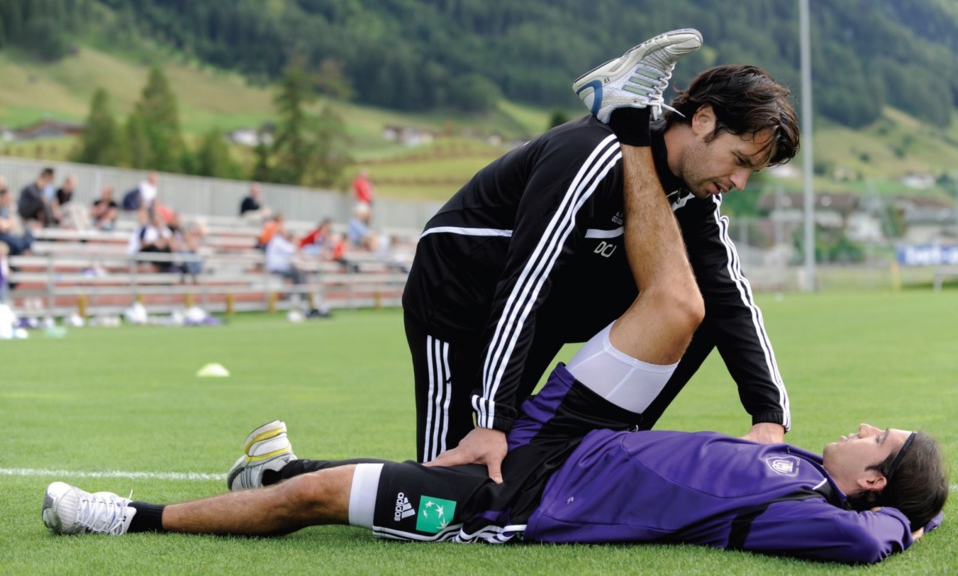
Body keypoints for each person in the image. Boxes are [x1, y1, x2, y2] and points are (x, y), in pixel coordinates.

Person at [404, 29, 801, 480]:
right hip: (459, 297)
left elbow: (731, 296)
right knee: (442, 486)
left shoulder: (693, 196)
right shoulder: (595, 154)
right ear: (704, 120)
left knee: (696, 300)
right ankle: (306, 474)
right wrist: (493, 418)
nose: (739, 182)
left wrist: (768, 414)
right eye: (740, 160)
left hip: (551, 306)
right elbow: (525, 283)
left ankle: (604, 450)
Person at [40, 405, 947, 564]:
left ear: (871, 480)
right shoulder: (794, 466)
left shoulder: (811, 512)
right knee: (390, 470)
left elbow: (869, 542)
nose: (862, 425)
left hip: (523, 510)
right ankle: (280, 465)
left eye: (878, 437)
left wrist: (909, 523)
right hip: (555, 458)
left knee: (318, 507)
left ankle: (124, 518)